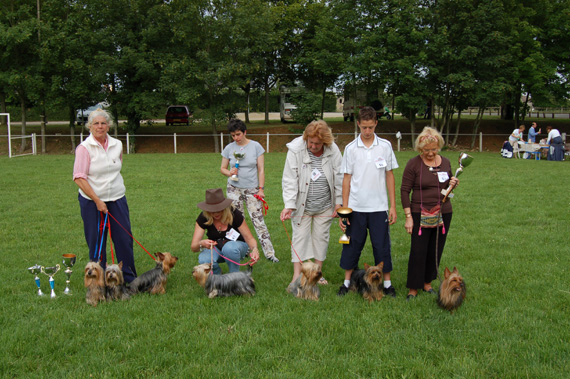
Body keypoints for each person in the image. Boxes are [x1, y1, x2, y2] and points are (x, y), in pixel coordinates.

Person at [337, 106, 398, 297]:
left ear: (376, 124)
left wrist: (393, 206)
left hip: (379, 207)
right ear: (358, 124)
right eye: (364, 127)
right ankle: (347, 283)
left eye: (371, 127)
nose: (367, 131)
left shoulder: (385, 146)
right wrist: (344, 210)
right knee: (351, 244)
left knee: (382, 246)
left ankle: (387, 285)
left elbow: (390, 176)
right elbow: (346, 179)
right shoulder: (350, 148)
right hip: (356, 207)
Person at [73, 108, 137, 282]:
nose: (100, 126)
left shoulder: (117, 144)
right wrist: (98, 200)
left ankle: (129, 279)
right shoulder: (84, 148)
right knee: (97, 242)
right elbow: (79, 178)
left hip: (117, 199)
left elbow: (117, 168)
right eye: (96, 123)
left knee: (124, 239)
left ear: (108, 126)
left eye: (103, 123)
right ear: (90, 126)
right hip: (92, 202)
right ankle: (98, 281)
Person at [280, 120, 343, 287]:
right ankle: (296, 276)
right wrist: (289, 205)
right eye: (311, 142)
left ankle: (317, 274)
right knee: (300, 237)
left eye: (318, 143)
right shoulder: (295, 149)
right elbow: (289, 179)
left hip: (325, 205)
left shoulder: (333, 150)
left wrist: (339, 203)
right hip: (302, 205)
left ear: (325, 141)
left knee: (321, 238)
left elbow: (340, 177)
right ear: (306, 138)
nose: (314, 146)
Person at [400, 127, 459, 301]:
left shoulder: (446, 162)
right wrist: (409, 217)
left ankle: (427, 283)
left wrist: (452, 184)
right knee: (418, 250)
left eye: (434, 149)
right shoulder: (413, 164)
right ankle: (413, 288)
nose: (431, 153)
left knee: (435, 249)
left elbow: (446, 187)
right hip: (420, 213)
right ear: (420, 149)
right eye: (427, 150)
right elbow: (404, 191)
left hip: (443, 212)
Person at [220, 119, 279, 262]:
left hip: (252, 189)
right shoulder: (229, 148)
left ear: (245, 132)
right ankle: (243, 250)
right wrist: (230, 172)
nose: (236, 138)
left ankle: (270, 253)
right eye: (233, 135)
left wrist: (261, 189)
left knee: (258, 220)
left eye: (238, 134)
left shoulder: (256, 146)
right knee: (237, 221)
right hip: (233, 188)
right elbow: (222, 168)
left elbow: (261, 170)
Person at [191, 188, 260, 274]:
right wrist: (202, 243)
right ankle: (218, 278)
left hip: (237, 247)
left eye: (219, 209)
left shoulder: (234, 214)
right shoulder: (203, 217)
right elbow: (193, 247)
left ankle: (234, 276)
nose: (216, 213)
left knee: (229, 248)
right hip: (217, 248)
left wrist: (255, 250)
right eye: (212, 211)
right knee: (204, 259)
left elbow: (249, 239)